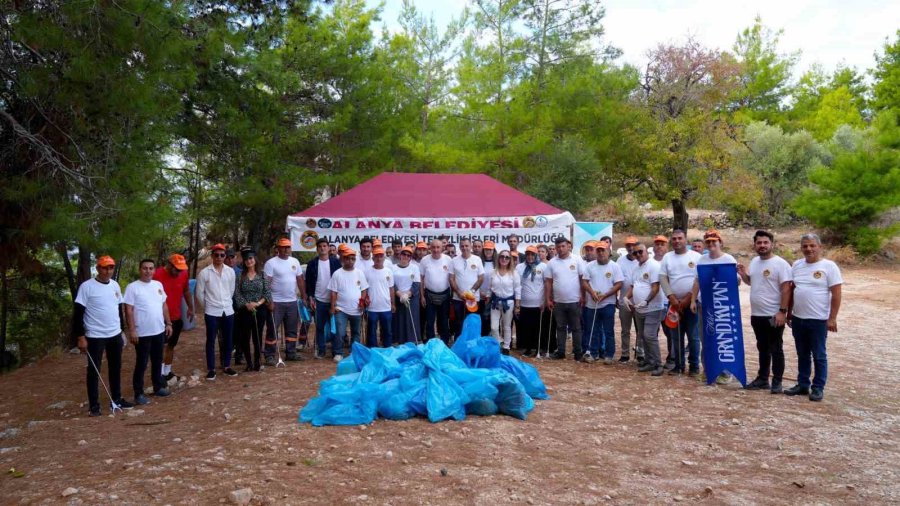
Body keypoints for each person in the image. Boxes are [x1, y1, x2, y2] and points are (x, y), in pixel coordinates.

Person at [73, 255, 135, 416]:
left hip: (114, 334)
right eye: (104, 267)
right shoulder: (87, 287)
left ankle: (117, 399)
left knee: (116, 368)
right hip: (95, 336)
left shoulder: (114, 285)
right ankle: (94, 406)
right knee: (94, 371)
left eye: (110, 268)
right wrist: (80, 336)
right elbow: (78, 313)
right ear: (98, 268)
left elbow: (118, 309)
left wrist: (122, 330)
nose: (108, 271)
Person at [785, 233, 842, 402]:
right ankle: (803, 384)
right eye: (805, 246)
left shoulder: (829, 266)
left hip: (818, 320)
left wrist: (832, 318)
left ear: (819, 247)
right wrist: (789, 312)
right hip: (798, 318)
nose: (808, 249)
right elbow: (793, 290)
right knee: (802, 353)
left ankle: (818, 387)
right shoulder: (796, 265)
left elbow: (837, 294)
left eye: (812, 246)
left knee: (819, 354)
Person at [737, 230, 792, 393]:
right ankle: (762, 378)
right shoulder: (754, 262)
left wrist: (782, 311)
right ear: (754, 245)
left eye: (765, 242)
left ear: (772, 244)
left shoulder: (780, 264)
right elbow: (752, 282)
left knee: (776, 347)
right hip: (757, 314)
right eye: (759, 243)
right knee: (762, 347)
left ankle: (777, 381)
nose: (762, 245)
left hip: (774, 314)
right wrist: (743, 274)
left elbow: (786, 289)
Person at [689, 230, 741, 384]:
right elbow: (697, 281)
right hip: (704, 306)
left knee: (723, 338)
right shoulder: (702, 260)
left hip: (722, 306)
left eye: (714, 241)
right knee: (706, 338)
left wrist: (737, 274)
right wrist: (693, 300)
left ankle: (725, 372)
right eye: (709, 241)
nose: (711, 244)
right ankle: (708, 370)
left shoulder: (729, 259)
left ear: (720, 243)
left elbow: (736, 282)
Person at [124, 259, 172, 406]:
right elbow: (129, 310)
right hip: (142, 333)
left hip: (158, 330)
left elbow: (164, 305)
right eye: (145, 268)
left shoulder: (158, 285)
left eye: (151, 268)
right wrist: (132, 330)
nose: (148, 271)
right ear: (140, 269)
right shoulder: (133, 287)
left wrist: (168, 323)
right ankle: (138, 393)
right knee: (142, 363)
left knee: (157, 360)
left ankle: (157, 386)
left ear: (154, 270)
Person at [659, 229, 702, 375]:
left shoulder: (696, 257)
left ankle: (694, 367)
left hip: (691, 304)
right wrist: (671, 298)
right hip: (674, 304)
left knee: (693, 336)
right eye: (674, 239)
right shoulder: (667, 257)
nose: (677, 241)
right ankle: (679, 365)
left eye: (680, 238)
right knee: (676, 336)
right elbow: (663, 278)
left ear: (686, 240)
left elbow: (699, 280)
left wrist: (687, 299)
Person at [196, 244, 238, 379]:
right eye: (216, 255)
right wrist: (208, 306)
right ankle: (211, 369)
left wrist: (226, 302)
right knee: (211, 340)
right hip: (212, 312)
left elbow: (231, 290)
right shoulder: (204, 273)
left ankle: (226, 365)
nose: (219, 257)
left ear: (225, 256)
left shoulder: (230, 272)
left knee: (228, 339)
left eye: (222, 255)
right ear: (212, 256)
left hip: (227, 310)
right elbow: (199, 294)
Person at [624, 243, 665, 376]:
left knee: (649, 335)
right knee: (642, 336)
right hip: (639, 308)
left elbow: (655, 287)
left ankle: (658, 364)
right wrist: (626, 297)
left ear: (646, 251)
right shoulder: (636, 268)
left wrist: (646, 300)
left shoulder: (653, 265)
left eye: (640, 252)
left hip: (653, 307)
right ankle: (649, 361)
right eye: (635, 253)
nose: (638, 255)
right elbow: (633, 286)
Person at [581, 241, 623, 364]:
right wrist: (591, 292)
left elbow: (619, 283)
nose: (600, 252)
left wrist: (605, 295)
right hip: (592, 303)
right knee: (593, 329)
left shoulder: (614, 266)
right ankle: (593, 353)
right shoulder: (590, 266)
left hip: (608, 304)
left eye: (603, 250)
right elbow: (584, 281)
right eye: (598, 250)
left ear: (609, 252)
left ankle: (609, 355)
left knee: (608, 331)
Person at [263, 237, 305, 363]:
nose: (286, 249)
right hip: (276, 302)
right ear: (278, 248)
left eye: (288, 247)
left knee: (292, 329)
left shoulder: (295, 261)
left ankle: (291, 353)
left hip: (292, 302)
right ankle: (269, 355)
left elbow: (300, 279)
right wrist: (269, 301)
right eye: (284, 247)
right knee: (272, 329)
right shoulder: (271, 263)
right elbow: (266, 284)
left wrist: (304, 295)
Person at [153, 254, 194, 382]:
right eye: (177, 269)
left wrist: (190, 308)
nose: (179, 272)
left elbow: (186, 291)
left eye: (181, 270)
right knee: (160, 347)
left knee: (171, 345)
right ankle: (158, 374)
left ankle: (167, 372)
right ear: (169, 265)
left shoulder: (183, 274)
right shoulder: (156, 275)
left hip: (176, 316)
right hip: (159, 318)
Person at [544, 237, 585, 360]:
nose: (561, 249)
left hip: (575, 300)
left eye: (563, 246)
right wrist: (548, 299)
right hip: (558, 302)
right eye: (558, 247)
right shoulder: (552, 262)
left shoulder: (577, 259)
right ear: (555, 248)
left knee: (576, 328)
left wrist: (583, 296)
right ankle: (561, 351)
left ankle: (578, 352)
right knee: (560, 327)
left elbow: (582, 279)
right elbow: (548, 282)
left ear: (568, 246)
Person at [328, 245, 368, 361]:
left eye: (352, 259)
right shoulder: (337, 274)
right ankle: (338, 352)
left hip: (356, 310)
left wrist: (362, 303)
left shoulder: (359, 273)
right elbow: (333, 292)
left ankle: (353, 353)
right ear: (343, 259)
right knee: (340, 332)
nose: (350, 261)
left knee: (356, 332)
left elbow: (364, 289)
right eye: (347, 258)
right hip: (341, 309)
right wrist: (333, 306)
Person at [233, 250, 271, 371]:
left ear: (255, 259)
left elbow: (267, 292)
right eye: (246, 259)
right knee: (245, 336)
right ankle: (248, 363)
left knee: (257, 336)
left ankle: (257, 362)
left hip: (259, 310)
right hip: (245, 310)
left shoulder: (263, 275)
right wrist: (246, 304)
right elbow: (237, 293)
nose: (249, 261)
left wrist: (258, 303)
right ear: (244, 262)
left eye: (251, 258)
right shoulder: (240, 276)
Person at [305, 238, 342, 359]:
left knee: (335, 327)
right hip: (319, 300)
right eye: (320, 246)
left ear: (328, 247)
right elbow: (309, 282)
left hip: (334, 300)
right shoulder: (312, 263)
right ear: (317, 249)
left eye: (324, 246)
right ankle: (321, 350)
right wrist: (310, 296)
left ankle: (336, 352)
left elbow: (340, 281)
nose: (322, 248)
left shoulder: (336, 262)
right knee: (319, 327)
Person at [516, 246, 554, 357]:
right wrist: (517, 303)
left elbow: (547, 284)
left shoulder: (543, 266)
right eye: (528, 254)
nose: (530, 257)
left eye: (532, 254)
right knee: (526, 328)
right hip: (524, 303)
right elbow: (517, 285)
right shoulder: (519, 267)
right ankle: (528, 348)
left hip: (539, 304)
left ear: (536, 255)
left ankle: (538, 348)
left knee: (539, 328)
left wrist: (545, 300)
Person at [419, 239, 453, 344]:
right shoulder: (424, 260)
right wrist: (422, 296)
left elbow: (452, 278)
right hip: (429, 295)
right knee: (430, 322)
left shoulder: (448, 260)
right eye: (433, 247)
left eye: (438, 247)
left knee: (443, 321)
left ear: (442, 248)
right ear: (430, 248)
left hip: (445, 294)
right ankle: (430, 344)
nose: (436, 250)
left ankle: (445, 343)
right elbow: (421, 279)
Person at [450, 238, 485, 339]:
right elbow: (451, 279)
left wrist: (472, 291)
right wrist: (459, 292)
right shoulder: (454, 261)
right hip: (458, 298)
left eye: (466, 245)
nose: (464, 248)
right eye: (462, 246)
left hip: (473, 298)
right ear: (459, 247)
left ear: (470, 247)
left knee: (472, 322)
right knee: (458, 322)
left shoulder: (477, 260)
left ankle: (472, 343)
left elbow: (481, 278)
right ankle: (458, 344)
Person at [489, 250, 521, 354]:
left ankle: (506, 347)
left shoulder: (514, 273)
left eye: (507, 257)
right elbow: (490, 288)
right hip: (495, 302)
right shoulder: (493, 272)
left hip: (509, 303)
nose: (504, 259)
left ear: (510, 260)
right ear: (498, 258)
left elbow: (517, 289)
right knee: (494, 327)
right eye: (502, 256)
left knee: (506, 325)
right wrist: (488, 299)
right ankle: (498, 344)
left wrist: (517, 305)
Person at [616, 235, 640, 363]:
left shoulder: (641, 260)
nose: (631, 247)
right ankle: (625, 354)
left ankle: (640, 352)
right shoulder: (620, 261)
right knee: (625, 330)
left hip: (639, 302)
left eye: (633, 245)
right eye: (628, 245)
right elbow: (616, 280)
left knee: (640, 330)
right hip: (624, 301)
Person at [365, 246, 395, 347]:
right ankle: (372, 350)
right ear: (372, 258)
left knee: (387, 331)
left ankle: (387, 349)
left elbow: (391, 289)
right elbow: (364, 289)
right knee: (371, 331)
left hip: (386, 306)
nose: (378, 258)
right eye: (376, 256)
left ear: (384, 258)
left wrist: (393, 303)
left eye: (381, 256)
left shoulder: (388, 271)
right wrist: (364, 300)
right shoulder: (367, 272)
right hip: (372, 307)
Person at [392, 246, 421, 344]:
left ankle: (412, 341)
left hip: (411, 298)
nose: (406, 257)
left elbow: (416, 283)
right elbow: (392, 284)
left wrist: (407, 295)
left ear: (410, 257)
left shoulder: (415, 267)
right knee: (399, 320)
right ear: (400, 255)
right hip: (398, 298)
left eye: (408, 255)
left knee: (411, 320)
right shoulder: (393, 268)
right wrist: (400, 295)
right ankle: (399, 341)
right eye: (404, 254)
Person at [479, 240, 497, 336]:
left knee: (491, 319)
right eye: (486, 249)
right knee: (481, 318)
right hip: (479, 295)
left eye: (490, 249)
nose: (488, 251)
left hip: (493, 296)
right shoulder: (479, 262)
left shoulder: (497, 263)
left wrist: (490, 294)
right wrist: (479, 292)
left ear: (494, 251)